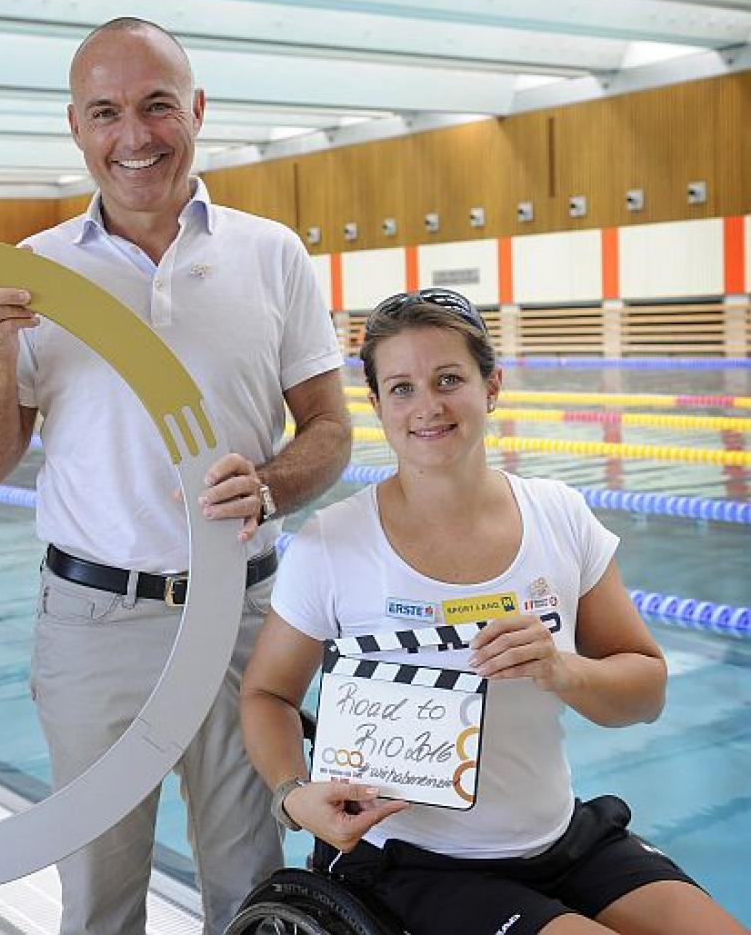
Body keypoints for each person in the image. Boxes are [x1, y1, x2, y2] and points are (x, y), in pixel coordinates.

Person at [0, 18, 353, 935]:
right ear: (77, 128)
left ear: (197, 111)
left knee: (251, 887)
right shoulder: (36, 270)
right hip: (96, 624)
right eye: (107, 113)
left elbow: (330, 425)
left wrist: (275, 485)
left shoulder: (270, 253)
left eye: (158, 105)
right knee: (99, 898)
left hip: (245, 615)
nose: (136, 135)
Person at [239, 289, 746, 935]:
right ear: (376, 405)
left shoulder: (559, 516)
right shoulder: (332, 546)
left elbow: (645, 690)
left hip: (561, 838)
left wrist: (566, 672)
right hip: (414, 863)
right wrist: (293, 796)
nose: (427, 406)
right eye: (401, 388)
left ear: (493, 386)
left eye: (449, 379)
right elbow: (266, 696)